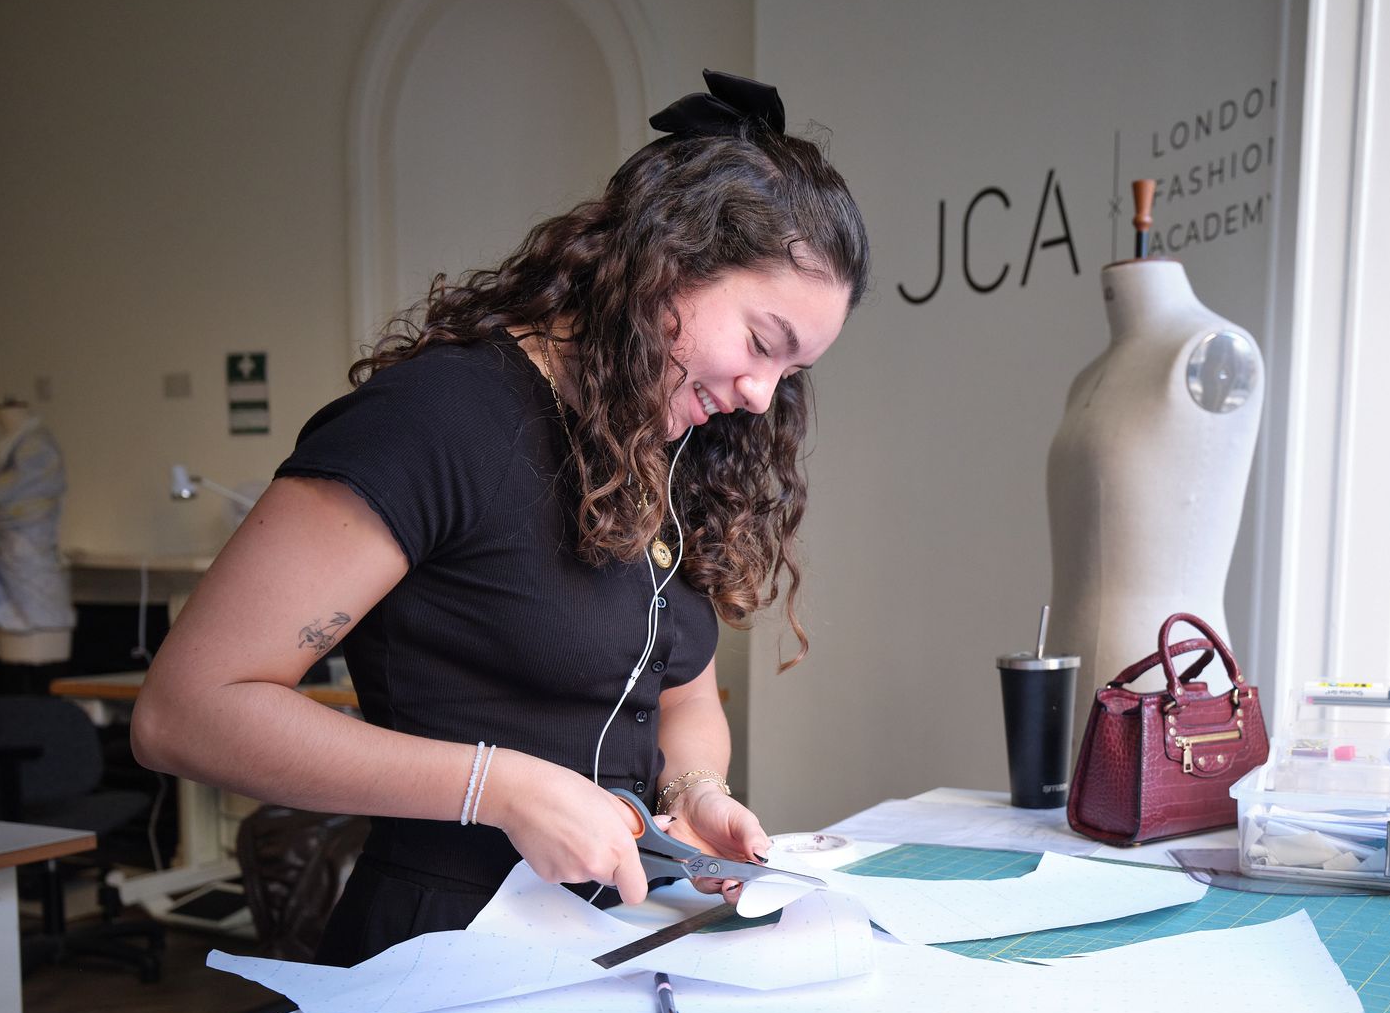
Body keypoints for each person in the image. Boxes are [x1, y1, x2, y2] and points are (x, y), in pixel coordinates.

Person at [133, 71, 870, 966]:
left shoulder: (673, 441)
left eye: (790, 376)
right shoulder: (437, 421)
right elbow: (186, 712)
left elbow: (684, 697)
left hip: (619, 936)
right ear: (667, 260)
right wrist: (499, 786)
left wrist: (700, 790)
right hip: (441, 951)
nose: (760, 397)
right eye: (761, 344)